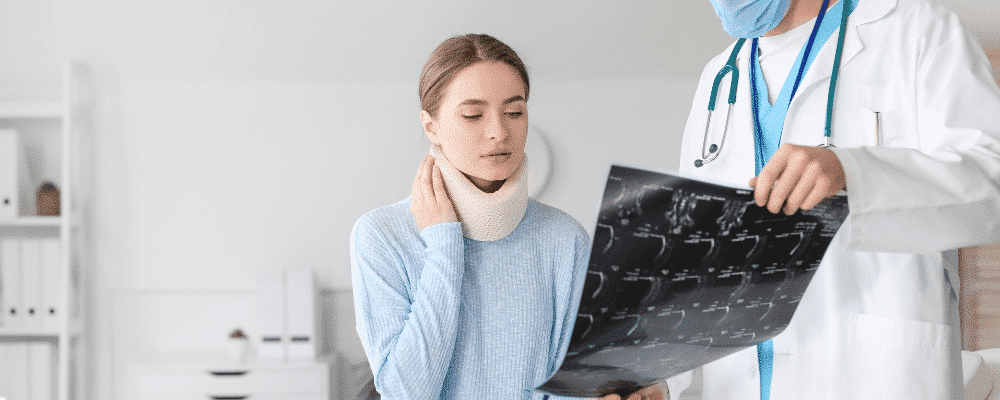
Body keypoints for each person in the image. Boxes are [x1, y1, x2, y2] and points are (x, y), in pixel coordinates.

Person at [666, 0, 1000, 398]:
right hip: (734, 383)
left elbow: (989, 185)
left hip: (872, 374)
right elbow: (696, 264)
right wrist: (667, 381)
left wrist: (853, 174)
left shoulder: (916, 28)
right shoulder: (719, 78)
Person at [350, 33, 598, 400]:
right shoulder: (381, 235)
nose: (499, 131)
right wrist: (444, 244)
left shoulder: (565, 238)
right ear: (431, 126)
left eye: (515, 111)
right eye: (472, 114)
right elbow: (406, 392)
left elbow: (571, 387)